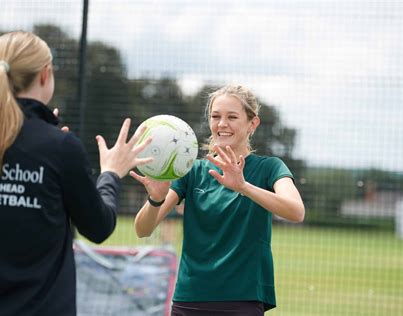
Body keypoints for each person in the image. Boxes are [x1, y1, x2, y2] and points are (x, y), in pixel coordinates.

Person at [0, 31, 153, 316]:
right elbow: (98, 227)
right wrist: (110, 173)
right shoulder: (59, 147)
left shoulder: (55, 146)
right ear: (44, 75)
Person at [131, 84, 305, 315]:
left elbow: (296, 211)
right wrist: (155, 199)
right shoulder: (192, 171)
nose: (222, 124)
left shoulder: (269, 168)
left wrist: (243, 186)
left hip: (242, 300)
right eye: (216, 117)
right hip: (189, 298)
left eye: (232, 117)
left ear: (252, 124)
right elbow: (143, 229)